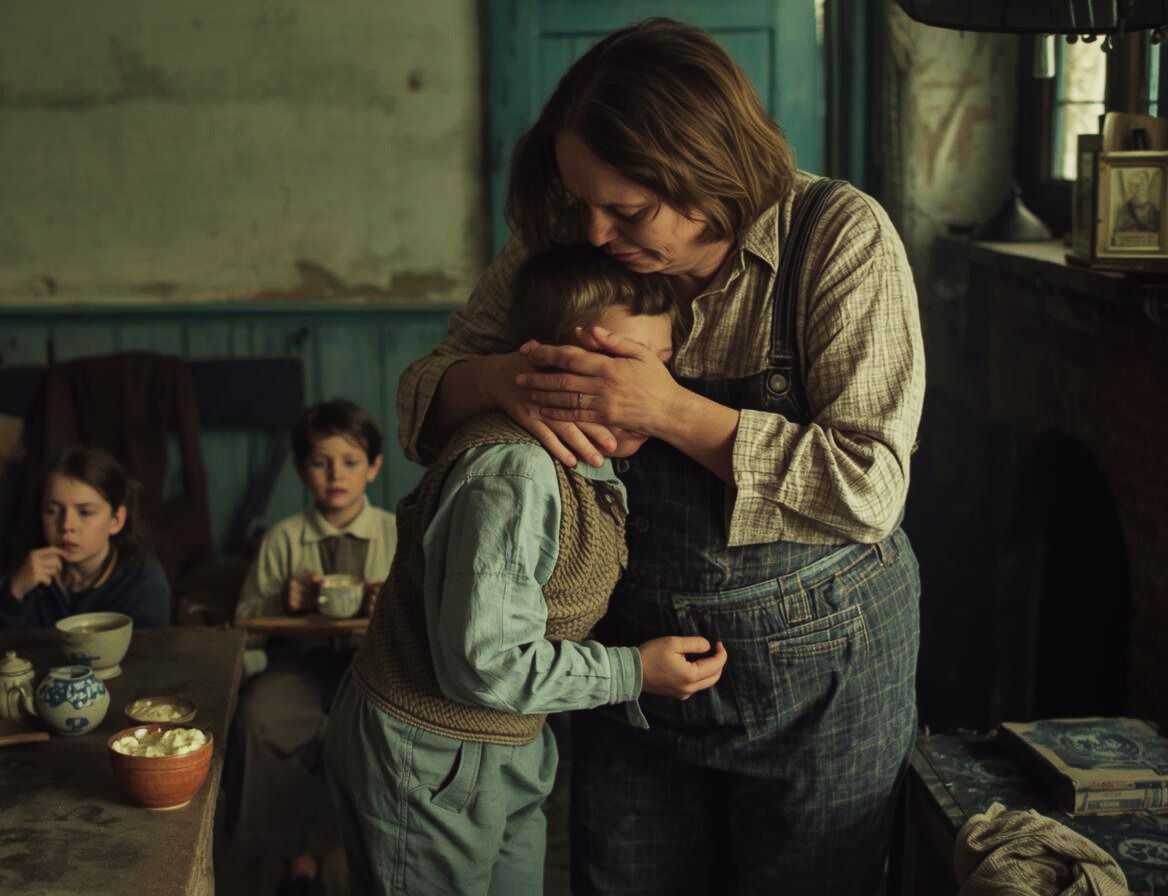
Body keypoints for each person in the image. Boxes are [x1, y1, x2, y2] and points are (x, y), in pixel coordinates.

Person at [394, 18, 924, 895]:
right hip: (626, 671)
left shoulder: (838, 238)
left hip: (821, 677)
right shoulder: (573, 237)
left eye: (629, 210)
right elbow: (422, 394)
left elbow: (870, 487)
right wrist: (497, 382)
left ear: (707, 171)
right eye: (582, 202)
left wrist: (669, 409)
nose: (596, 234)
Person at [322, 245, 727, 895]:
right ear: (541, 360)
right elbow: (485, 664)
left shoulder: (588, 458)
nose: (644, 392)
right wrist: (634, 671)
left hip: (506, 747)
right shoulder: (515, 474)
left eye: (662, 366)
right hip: (429, 755)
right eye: (620, 364)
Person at [227, 399, 398, 896]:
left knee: (383, 732)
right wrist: (285, 598)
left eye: (349, 462)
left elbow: (427, 615)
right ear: (302, 470)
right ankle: (288, 859)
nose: (335, 475)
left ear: (374, 466)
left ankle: (366, 855)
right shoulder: (283, 539)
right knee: (259, 718)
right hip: (298, 667)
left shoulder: (395, 531)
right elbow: (247, 622)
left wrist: (386, 606)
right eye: (321, 462)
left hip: (374, 670)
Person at [0, 446, 170, 629]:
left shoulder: (142, 581)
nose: (66, 526)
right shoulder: (30, 565)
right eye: (52, 511)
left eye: (85, 512)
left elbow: (148, 653)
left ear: (116, 520)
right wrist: (15, 591)